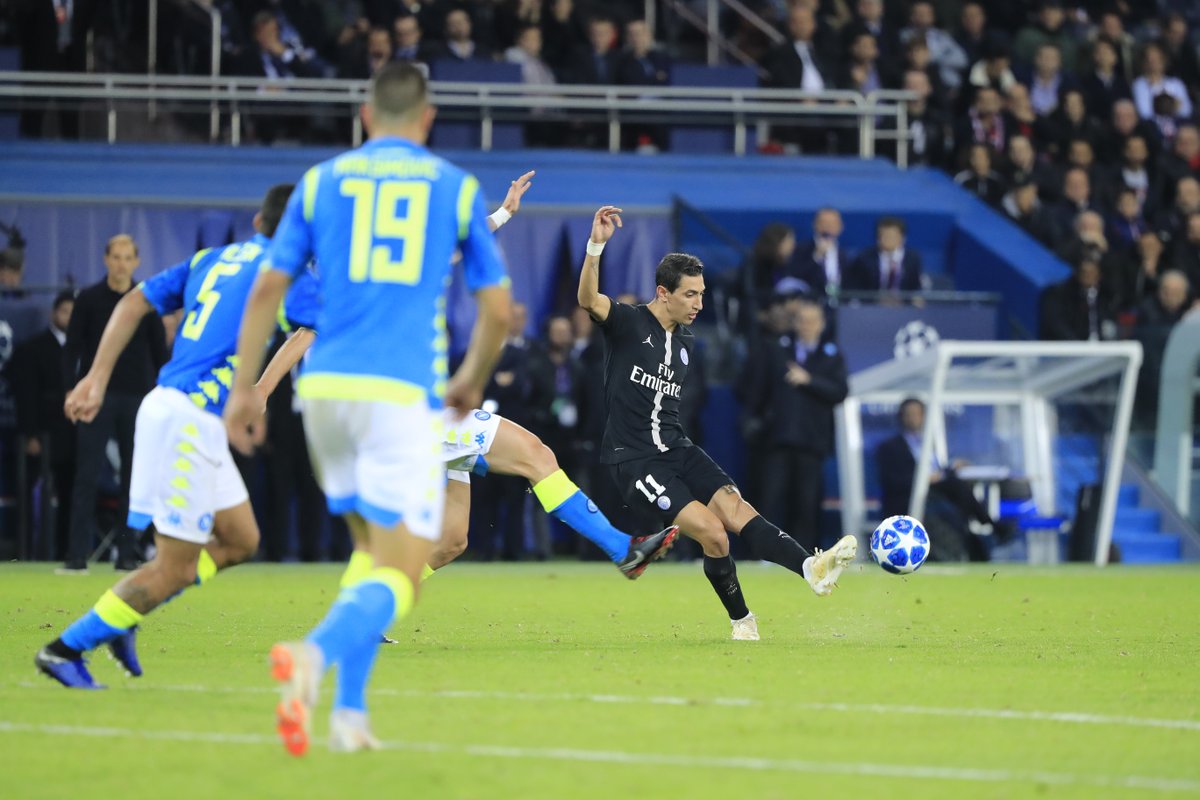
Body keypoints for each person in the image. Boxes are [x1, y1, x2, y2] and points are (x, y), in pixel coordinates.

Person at [223, 63, 511, 756]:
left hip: (323, 397)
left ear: (363, 112)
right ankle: (314, 657)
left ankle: (350, 715)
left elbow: (268, 289)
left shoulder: (322, 182)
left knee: (369, 554)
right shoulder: (453, 185)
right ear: (429, 116)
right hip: (398, 399)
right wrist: (470, 378)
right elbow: (498, 309)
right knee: (405, 567)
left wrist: (244, 387)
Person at [255, 172, 678, 581]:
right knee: (535, 454)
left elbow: (446, 253)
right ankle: (622, 549)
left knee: (452, 540)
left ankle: (370, 607)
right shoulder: (341, 275)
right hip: (398, 413)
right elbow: (306, 333)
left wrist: (503, 215)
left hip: (397, 411)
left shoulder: (373, 266)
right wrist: (261, 390)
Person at [33, 184, 294, 690]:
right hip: (188, 420)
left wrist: (95, 377)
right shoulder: (285, 273)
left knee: (241, 540)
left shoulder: (210, 259)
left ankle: (124, 615)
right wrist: (261, 389)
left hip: (178, 411)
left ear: (258, 222)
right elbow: (309, 329)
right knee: (172, 568)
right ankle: (64, 648)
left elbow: (133, 303)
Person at [577, 205, 858, 642]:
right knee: (713, 534)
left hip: (677, 447)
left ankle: (811, 568)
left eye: (702, 294)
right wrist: (596, 246)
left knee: (735, 510)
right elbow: (587, 301)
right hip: (633, 458)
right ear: (663, 292)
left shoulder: (687, 343)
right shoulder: (630, 322)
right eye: (690, 294)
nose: (699, 304)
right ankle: (742, 621)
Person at [62, 235, 168, 574]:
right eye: (116, 257)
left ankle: (126, 553)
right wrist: (71, 391)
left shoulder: (146, 301)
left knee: (135, 479)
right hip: (97, 397)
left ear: (136, 262)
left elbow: (159, 353)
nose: (121, 264)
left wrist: (163, 396)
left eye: (127, 258)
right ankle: (77, 555)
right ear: (106, 259)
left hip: (139, 398)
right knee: (86, 475)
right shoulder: (89, 299)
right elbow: (72, 350)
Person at [739, 300, 847, 553]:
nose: (807, 326)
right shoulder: (777, 349)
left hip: (811, 441)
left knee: (806, 502)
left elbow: (840, 391)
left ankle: (803, 556)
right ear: (795, 323)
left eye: (813, 321)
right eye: (802, 320)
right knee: (769, 498)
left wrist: (809, 380)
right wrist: (753, 420)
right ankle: (763, 554)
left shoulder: (831, 355)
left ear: (822, 325)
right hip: (777, 437)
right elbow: (757, 389)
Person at [875, 397, 990, 562]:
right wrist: (923, 480)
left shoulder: (928, 442)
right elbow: (891, 481)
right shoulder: (889, 448)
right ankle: (988, 525)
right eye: (908, 414)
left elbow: (937, 472)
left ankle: (979, 541)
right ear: (901, 417)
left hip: (937, 495)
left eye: (916, 414)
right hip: (909, 499)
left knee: (958, 492)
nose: (912, 418)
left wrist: (950, 468)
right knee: (955, 495)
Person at [13, 290, 75, 560]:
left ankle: (66, 552)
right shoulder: (32, 347)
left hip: (72, 435)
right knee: (27, 494)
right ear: (53, 313)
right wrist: (31, 434)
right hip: (42, 432)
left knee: (70, 495)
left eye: (74, 314)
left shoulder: (83, 349)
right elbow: (25, 395)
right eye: (64, 312)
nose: (69, 318)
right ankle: (25, 552)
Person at [844, 216, 923, 292]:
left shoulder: (912, 259)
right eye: (884, 235)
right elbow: (856, 289)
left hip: (903, 304)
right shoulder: (864, 259)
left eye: (892, 236)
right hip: (871, 304)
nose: (888, 239)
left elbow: (915, 287)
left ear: (902, 238)